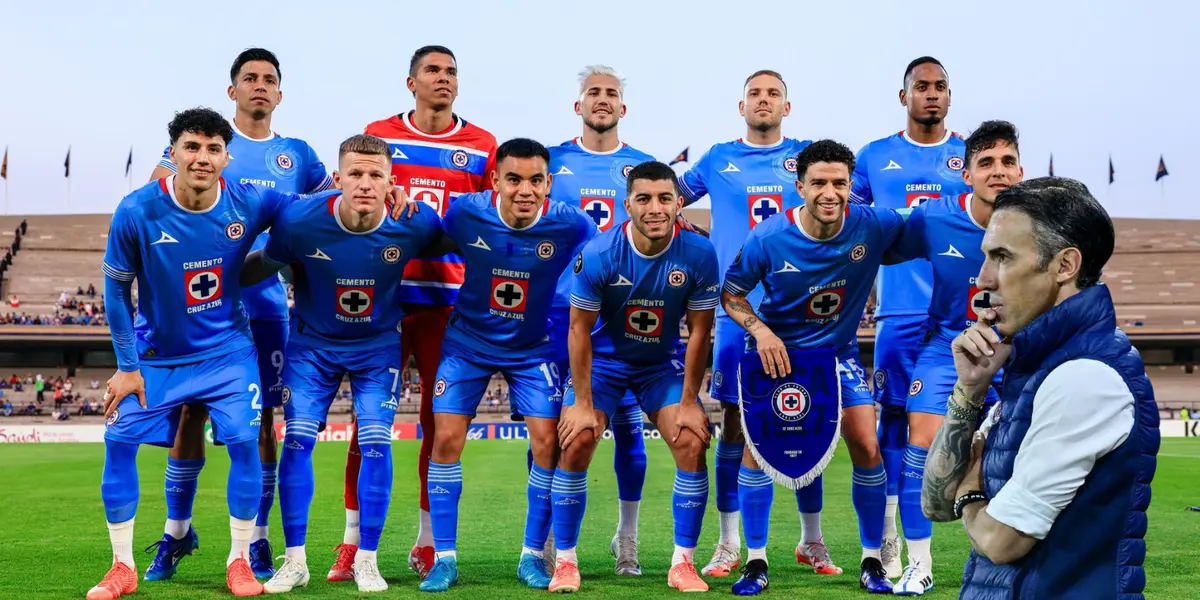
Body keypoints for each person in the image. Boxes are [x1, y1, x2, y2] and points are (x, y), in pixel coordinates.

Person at [145, 48, 333, 582]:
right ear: (232, 92)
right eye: (248, 78)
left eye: (268, 79)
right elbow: (155, 198)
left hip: (266, 305)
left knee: (263, 424)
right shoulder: (206, 146)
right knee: (190, 415)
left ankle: (257, 541)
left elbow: (326, 208)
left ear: (279, 93)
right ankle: (176, 532)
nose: (259, 86)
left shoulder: (297, 155)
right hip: (197, 308)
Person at [922, 177, 1158, 599]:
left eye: (1002, 257)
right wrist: (969, 390)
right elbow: (935, 506)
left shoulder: (1086, 376)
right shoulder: (1031, 366)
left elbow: (1000, 542)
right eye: (985, 257)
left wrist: (971, 494)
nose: (982, 279)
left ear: (1064, 266)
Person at [91, 107, 290, 599]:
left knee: (246, 443)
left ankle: (239, 560)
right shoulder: (136, 210)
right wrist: (126, 366)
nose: (202, 157)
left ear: (227, 157)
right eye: (192, 146)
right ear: (173, 152)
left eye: (213, 149)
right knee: (118, 444)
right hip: (155, 356)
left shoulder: (250, 201)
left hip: (228, 353)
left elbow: (312, 208)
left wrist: (357, 193)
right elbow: (116, 294)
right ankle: (121, 567)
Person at [236, 134, 444, 594]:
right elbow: (265, 263)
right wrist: (212, 277)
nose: (365, 183)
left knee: (375, 444)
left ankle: (367, 559)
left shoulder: (415, 222)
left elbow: (466, 244)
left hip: (376, 349)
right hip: (311, 350)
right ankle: (295, 562)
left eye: (376, 174)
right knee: (298, 445)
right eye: (355, 173)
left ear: (393, 181)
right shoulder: (300, 220)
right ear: (337, 178)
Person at [720, 140, 906, 595]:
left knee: (865, 440)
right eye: (819, 182)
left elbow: (933, 232)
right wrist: (761, 332)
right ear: (799, 186)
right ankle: (755, 560)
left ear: (851, 186)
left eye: (839, 182)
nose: (829, 192)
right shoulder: (768, 237)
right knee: (755, 451)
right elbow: (731, 292)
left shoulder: (874, 225)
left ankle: (872, 558)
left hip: (837, 355)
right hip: (777, 355)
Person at [417, 138, 596, 592]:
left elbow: (609, 251)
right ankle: (445, 558)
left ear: (548, 183)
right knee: (447, 440)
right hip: (468, 342)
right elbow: (424, 235)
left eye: (536, 180)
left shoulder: (570, 224)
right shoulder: (466, 212)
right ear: (495, 179)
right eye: (513, 179)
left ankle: (532, 557)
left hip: (533, 348)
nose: (525, 189)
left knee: (545, 445)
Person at [674, 70, 827, 578]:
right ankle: (728, 543)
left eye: (773, 94)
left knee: (812, 423)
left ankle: (812, 542)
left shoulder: (806, 157)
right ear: (741, 106)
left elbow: (846, 201)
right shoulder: (719, 157)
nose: (764, 101)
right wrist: (692, 237)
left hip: (799, 313)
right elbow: (669, 195)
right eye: (755, 94)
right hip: (735, 311)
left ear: (788, 106)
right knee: (735, 429)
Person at [357, 45, 498, 581]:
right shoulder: (378, 134)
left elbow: (489, 223)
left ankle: (427, 540)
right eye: (433, 71)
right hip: (384, 300)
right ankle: (353, 546)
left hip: (446, 304)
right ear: (410, 82)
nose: (443, 79)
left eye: (451, 72)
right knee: (370, 424)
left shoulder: (483, 145)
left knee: (437, 424)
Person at [553, 161, 718, 593]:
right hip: (604, 364)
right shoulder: (601, 253)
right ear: (627, 204)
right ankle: (566, 561)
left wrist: (688, 402)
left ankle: (683, 563)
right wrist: (583, 404)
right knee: (578, 437)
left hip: (658, 365)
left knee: (691, 439)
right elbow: (578, 330)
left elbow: (701, 331)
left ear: (679, 202)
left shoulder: (700, 253)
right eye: (643, 198)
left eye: (665, 198)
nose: (655, 207)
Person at [880, 120, 1023, 593]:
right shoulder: (933, 218)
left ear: (1020, 170)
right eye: (986, 163)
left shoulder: (1039, 223)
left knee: (1023, 453)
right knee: (921, 439)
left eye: (1007, 162)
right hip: (948, 347)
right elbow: (874, 251)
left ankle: (1007, 557)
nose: (997, 172)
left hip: (1021, 352)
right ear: (967, 173)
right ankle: (918, 563)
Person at [848, 56, 971, 579]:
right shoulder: (874, 157)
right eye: (921, 86)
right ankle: (892, 538)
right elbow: (851, 225)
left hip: (964, 318)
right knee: (893, 422)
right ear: (904, 97)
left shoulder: (970, 156)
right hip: (899, 311)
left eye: (940, 87)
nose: (931, 94)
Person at [547, 64, 656, 575]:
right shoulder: (550, 162)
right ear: (578, 105)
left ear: (623, 107)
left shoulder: (644, 167)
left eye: (612, 93)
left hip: (630, 319)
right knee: (553, 431)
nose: (602, 100)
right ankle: (545, 539)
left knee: (630, 432)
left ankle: (626, 539)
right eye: (593, 92)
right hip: (561, 313)